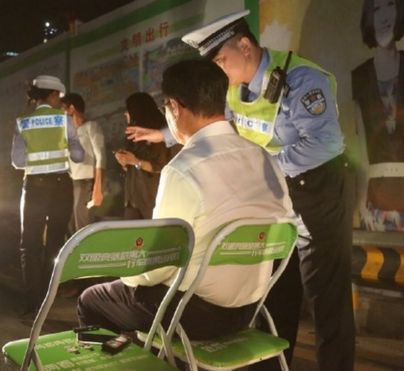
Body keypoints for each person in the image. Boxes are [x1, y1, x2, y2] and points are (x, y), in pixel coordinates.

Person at [126, 10, 355, 370]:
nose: (218, 71)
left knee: (326, 297)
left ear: (245, 46)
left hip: (318, 191)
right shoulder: (236, 90)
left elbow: (327, 143)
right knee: (276, 292)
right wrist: (164, 134)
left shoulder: (301, 79)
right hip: (275, 195)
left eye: (220, 59)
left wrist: (263, 166)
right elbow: (214, 120)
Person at [78, 59, 295, 341]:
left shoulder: (183, 169)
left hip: (193, 313)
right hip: (250, 309)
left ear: (175, 108)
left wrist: (127, 276)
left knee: (92, 299)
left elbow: (160, 264)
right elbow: (286, 227)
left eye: (165, 108)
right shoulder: (263, 157)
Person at [11, 75, 84, 316]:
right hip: (61, 187)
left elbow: (17, 161)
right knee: (55, 242)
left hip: (34, 187)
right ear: (52, 95)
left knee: (29, 245)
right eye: (58, 97)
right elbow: (78, 156)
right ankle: (48, 298)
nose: (59, 101)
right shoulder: (64, 120)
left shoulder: (22, 122)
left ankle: (31, 302)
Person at [353, 0, 403, 232]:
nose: (384, 17)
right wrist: (361, 205)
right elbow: (362, 154)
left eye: (390, 5)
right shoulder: (360, 77)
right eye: (376, 9)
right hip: (378, 200)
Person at [114, 92, 171, 220]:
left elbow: (160, 166)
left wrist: (136, 161)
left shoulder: (159, 135)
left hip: (150, 199)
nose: (125, 114)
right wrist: (124, 161)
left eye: (128, 110)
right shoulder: (132, 134)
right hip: (132, 199)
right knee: (130, 237)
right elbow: (130, 166)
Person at [61, 93, 106, 232]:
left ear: (71, 108)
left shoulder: (91, 126)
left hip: (87, 182)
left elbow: (101, 157)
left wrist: (97, 188)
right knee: (70, 226)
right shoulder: (67, 133)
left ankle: (88, 253)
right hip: (71, 183)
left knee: (83, 226)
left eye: (63, 109)